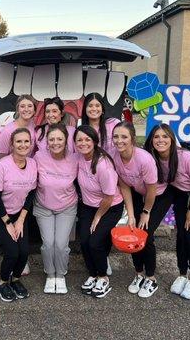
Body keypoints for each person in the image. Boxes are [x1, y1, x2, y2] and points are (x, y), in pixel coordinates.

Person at [144, 123, 190, 300]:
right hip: (180, 192)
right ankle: (182, 274)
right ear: (151, 140)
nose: (160, 140)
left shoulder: (185, 157)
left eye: (165, 136)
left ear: (172, 139)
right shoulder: (153, 157)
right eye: (156, 137)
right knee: (181, 234)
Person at [111, 121, 174, 298]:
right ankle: (139, 273)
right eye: (116, 136)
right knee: (133, 230)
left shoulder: (144, 159)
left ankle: (151, 277)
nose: (119, 140)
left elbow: (152, 189)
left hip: (158, 196)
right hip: (137, 193)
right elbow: (124, 186)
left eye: (124, 136)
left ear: (132, 138)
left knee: (145, 233)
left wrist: (145, 213)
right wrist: (131, 214)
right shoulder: (115, 157)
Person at [74, 125, 134, 298]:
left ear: (94, 141)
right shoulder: (78, 158)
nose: (83, 143)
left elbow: (108, 197)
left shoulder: (103, 165)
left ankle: (103, 277)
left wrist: (98, 217)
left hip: (109, 207)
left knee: (95, 242)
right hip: (87, 206)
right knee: (84, 241)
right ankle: (93, 274)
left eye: (87, 139)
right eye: (79, 140)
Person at [0, 128, 37, 302]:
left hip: (18, 213)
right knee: (12, 251)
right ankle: (2, 282)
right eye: (19, 141)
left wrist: (20, 220)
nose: (23, 145)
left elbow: (31, 194)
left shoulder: (33, 164)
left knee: (24, 251)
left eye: (26, 141)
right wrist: (7, 222)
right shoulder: (2, 165)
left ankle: (15, 280)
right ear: (12, 144)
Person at [33, 123, 78, 294]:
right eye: (51, 139)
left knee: (60, 244)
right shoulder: (39, 156)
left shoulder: (75, 158)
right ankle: (50, 275)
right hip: (43, 206)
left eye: (59, 138)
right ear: (46, 142)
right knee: (48, 244)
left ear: (66, 140)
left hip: (67, 206)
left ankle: (61, 275)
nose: (55, 142)